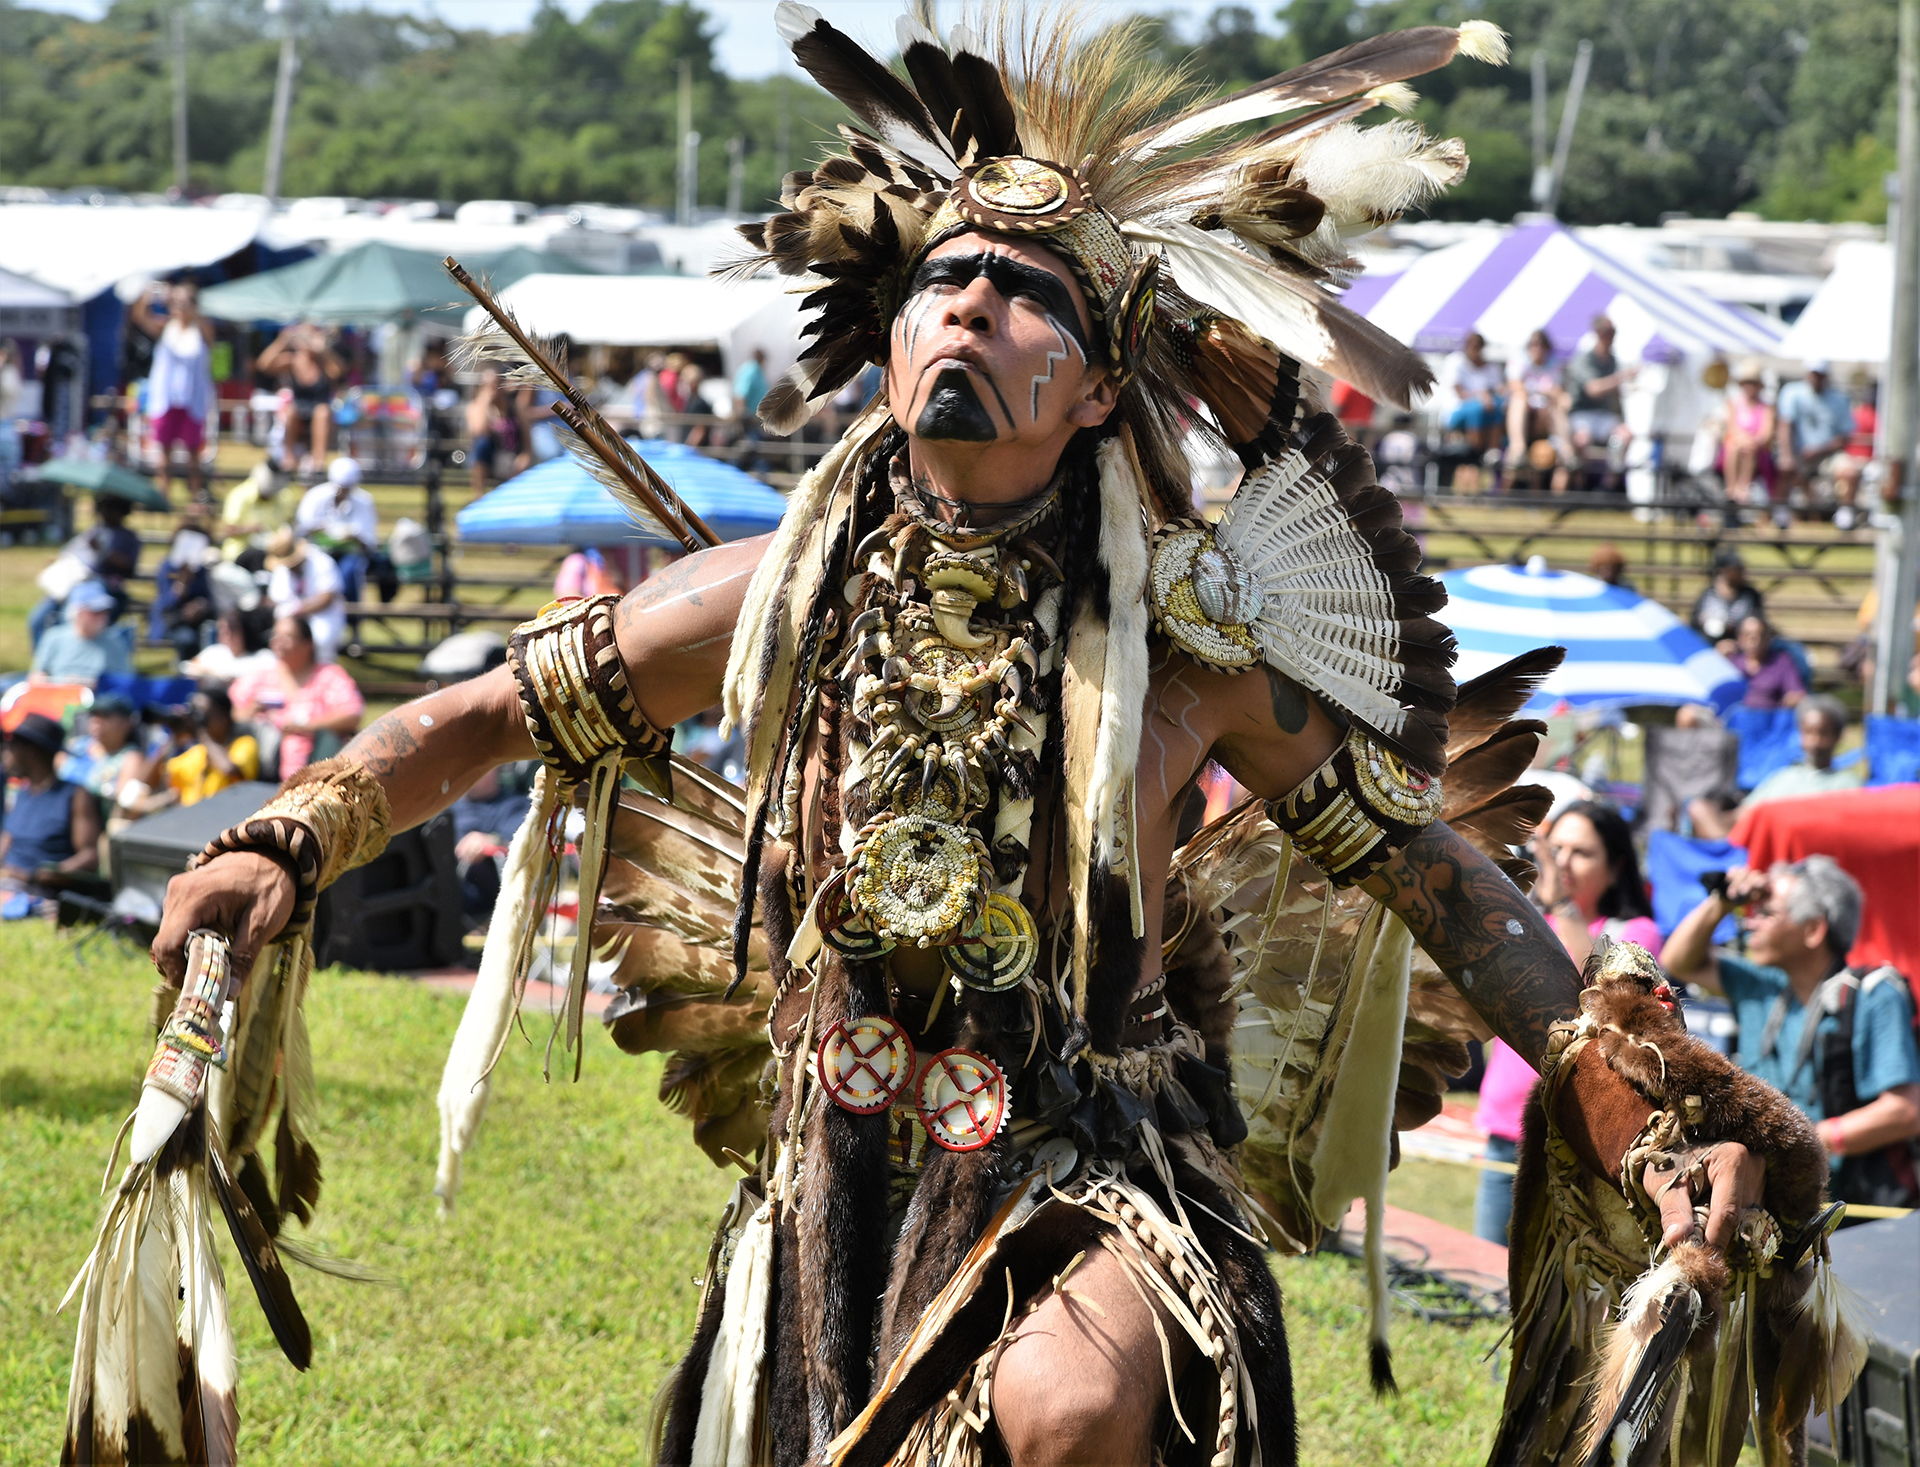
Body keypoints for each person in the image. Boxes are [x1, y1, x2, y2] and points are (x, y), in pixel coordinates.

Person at [154, 19, 1803, 1462]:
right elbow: (485, 715)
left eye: (1025, 297)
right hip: (840, 1149)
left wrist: (1640, 1113)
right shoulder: (772, 595)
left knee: (1069, 1407)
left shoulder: (1191, 646)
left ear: (1097, 392)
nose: (971, 308)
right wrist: (290, 833)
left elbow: (1433, 875)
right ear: (887, 342)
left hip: (1096, 1146)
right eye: (945, 282)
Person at [1663, 857, 1920, 1207]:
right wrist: (1723, 902)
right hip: (1771, 1203)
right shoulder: (1762, 986)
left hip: (1852, 1210)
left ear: (1813, 929)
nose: (1750, 923)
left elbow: (1905, 1111)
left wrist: (1800, 1141)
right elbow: (1679, 961)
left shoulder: (1875, 995)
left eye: (1767, 914)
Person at [1475, 800, 1663, 1245]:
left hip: (1581, 1135)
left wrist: (1561, 901)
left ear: (1616, 867)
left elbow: (1599, 988)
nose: (1561, 862)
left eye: (1581, 852)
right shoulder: (1525, 919)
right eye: (1555, 849)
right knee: (1484, 1268)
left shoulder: (1637, 933)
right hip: (1507, 1125)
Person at [1688, 695, 1864, 840]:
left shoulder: (1846, 784)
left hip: (1790, 846)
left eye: (1823, 733)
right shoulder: (1785, 775)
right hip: (1749, 837)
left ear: (1838, 737)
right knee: (1699, 808)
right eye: (1808, 733)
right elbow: (1745, 813)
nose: (1814, 741)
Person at [229, 615, 363, 777]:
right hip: (265, 771)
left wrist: (305, 726)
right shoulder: (260, 675)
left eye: (287, 637)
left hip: (315, 769)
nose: (279, 642)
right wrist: (252, 710)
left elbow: (352, 715)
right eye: (275, 636)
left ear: (308, 644)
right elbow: (233, 715)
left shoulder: (329, 676)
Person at [0, 712, 100, 910]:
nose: (6, 755)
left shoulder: (75, 795)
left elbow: (90, 857)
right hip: (8, 884)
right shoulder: (22, 794)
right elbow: (7, 839)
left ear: (31, 751)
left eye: (12, 747)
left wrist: (34, 875)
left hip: (40, 890)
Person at [130, 279, 217, 504]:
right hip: (166, 399)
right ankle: (163, 496)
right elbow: (140, 317)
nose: (178, 306)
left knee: (194, 452)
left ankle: (196, 496)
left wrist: (191, 309)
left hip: (193, 400)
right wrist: (148, 293)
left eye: (184, 302)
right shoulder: (166, 327)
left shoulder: (202, 329)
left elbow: (211, 342)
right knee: (164, 450)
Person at [30, 493, 141, 648]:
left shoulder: (129, 538)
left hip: (100, 586)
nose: (106, 513)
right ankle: (45, 660)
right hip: (70, 583)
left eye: (111, 509)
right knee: (37, 619)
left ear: (122, 511)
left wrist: (103, 551)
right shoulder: (93, 531)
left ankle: (67, 658)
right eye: (104, 508)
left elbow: (129, 567)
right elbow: (69, 552)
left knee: (67, 622)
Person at [1776, 361, 1862, 522]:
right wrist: (1787, 455)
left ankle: (1846, 515)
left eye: (1820, 374)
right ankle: (1780, 514)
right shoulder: (1792, 392)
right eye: (1814, 374)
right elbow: (1785, 425)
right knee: (1785, 468)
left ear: (1826, 376)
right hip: (1798, 454)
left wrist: (1819, 450)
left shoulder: (1839, 399)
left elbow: (1846, 437)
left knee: (1850, 472)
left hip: (1828, 455)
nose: (1816, 378)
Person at [295, 456, 387, 603]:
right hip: (317, 551)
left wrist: (355, 537)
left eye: (347, 488)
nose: (343, 492)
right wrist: (316, 529)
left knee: (349, 571)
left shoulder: (364, 500)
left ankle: (351, 612)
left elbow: (368, 542)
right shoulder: (315, 497)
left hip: (350, 554)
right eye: (340, 488)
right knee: (322, 570)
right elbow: (302, 531)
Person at [256, 322, 342, 475]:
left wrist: (323, 351)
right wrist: (282, 341)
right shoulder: (293, 361)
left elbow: (338, 373)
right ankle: (289, 459)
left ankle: (318, 461)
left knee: (322, 412)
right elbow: (264, 365)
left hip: (320, 410)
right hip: (298, 410)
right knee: (290, 411)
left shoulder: (323, 362)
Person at [156, 689, 260, 808]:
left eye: (203, 713)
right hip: (193, 816)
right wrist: (172, 737)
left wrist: (201, 732)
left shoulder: (244, 744)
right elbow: (157, 780)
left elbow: (233, 773)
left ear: (224, 716)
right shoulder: (196, 752)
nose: (197, 719)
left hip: (229, 813)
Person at [263, 527, 347, 663]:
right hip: (291, 620)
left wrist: (297, 609)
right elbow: (276, 599)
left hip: (323, 616)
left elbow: (326, 598)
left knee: (321, 639)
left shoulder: (322, 562)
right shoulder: (282, 569)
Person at [1563, 314, 1637, 466]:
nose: (1612, 336)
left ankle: (1612, 477)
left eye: (1613, 331)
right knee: (1582, 440)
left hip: (1604, 415)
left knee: (1626, 435)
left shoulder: (1613, 361)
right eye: (1608, 331)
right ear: (1599, 332)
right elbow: (1593, 390)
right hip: (1581, 414)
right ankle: (1580, 477)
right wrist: (1622, 376)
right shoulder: (1583, 360)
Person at [1505, 329, 1570, 490]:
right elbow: (1516, 388)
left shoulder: (1555, 364)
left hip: (1547, 419)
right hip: (1526, 417)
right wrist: (1544, 392)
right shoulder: (1519, 360)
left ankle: (1567, 450)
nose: (1538, 348)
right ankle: (1518, 447)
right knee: (1519, 400)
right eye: (1534, 344)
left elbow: (1558, 393)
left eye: (1541, 345)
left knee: (1558, 405)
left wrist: (1544, 395)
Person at [29, 582, 131, 685]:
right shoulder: (54, 637)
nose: (102, 617)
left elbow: (126, 683)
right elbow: (37, 675)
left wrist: (95, 685)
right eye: (95, 612)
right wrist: (45, 680)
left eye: (105, 612)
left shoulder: (115, 642)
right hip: (58, 692)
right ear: (78, 613)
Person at [58, 691, 143, 812]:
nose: (96, 721)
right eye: (93, 715)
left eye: (105, 716)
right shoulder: (75, 746)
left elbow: (125, 804)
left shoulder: (130, 758)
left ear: (126, 724)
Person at [1439, 331, 1505, 454]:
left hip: (1488, 411)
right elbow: (1460, 394)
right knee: (1477, 409)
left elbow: (1499, 390)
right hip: (1456, 411)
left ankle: (1493, 452)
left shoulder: (1492, 367)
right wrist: (1482, 395)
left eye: (1477, 346)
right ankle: (1476, 452)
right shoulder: (1455, 362)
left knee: (1497, 407)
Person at [1690, 547, 1764, 654]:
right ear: (1723, 570)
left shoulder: (1751, 595)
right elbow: (1693, 623)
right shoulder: (1708, 594)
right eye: (1735, 569)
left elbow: (1757, 624)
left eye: (1741, 569)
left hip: (1740, 649)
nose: (1740, 572)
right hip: (1709, 647)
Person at [1721, 363, 1774, 509]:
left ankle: (1742, 490)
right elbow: (1731, 428)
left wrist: (1752, 441)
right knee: (1735, 447)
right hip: (1736, 448)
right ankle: (1732, 490)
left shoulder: (1767, 407)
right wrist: (1744, 440)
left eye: (1753, 383)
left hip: (1757, 452)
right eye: (1747, 383)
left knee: (1747, 449)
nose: (1750, 387)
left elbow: (1766, 433)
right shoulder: (1733, 404)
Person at [1731, 614, 1805, 711]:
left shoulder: (1781, 661)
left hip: (1771, 716)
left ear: (1768, 638)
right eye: (1748, 635)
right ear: (1739, 637)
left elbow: (1798, 693)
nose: (1754, 641)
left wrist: (1791, 699)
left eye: (1760, 635)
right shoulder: (1731, 661)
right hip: (1734, 717)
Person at [464, 367, 517, 495]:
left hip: (510, 452)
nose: (493, 390)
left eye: (496, 385)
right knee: (482, 443)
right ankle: (479, 494)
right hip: (489, 455)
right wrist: (486, 404)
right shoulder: (475, 407)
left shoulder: (512, 408)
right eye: (488, 386)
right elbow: (479, 431)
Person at [732, 347, 769, 436]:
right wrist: (742, 415)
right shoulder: (751, 370)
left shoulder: (756, 370)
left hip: (756, 417)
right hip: (750, 419)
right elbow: (740, 393)